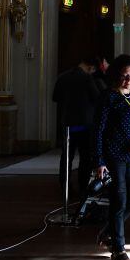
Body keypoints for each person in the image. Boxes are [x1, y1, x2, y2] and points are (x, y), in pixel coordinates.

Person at [93, 54, 130, 260]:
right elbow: (98, 130)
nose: (129, 80)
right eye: (125, 76)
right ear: (116, 75)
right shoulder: (108, 97)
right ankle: (119, 250)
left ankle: (108, 232)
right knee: (119, 200)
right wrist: (99, 160)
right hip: (114, 156)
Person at [52, 57, 101, 200]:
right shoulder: (87, 79)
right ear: (90, 67)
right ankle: (83, 186)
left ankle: (65, 186)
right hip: (85, 124)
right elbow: (97, 98)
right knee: (85, 157)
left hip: (67, 123)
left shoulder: (62, 77)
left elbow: (55, 98)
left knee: (66, 157)